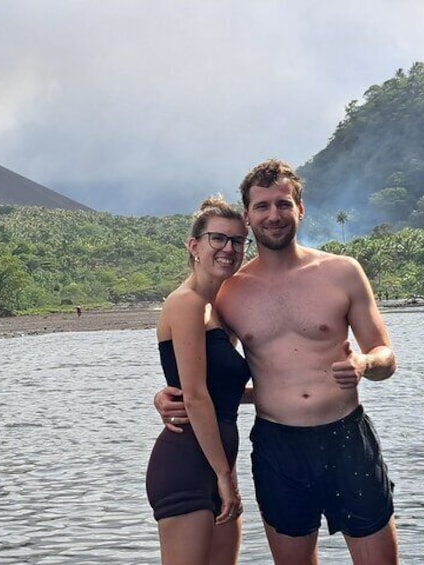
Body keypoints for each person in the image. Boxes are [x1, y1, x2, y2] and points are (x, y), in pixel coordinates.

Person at [156, 159, 399, 564]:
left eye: (283, 204)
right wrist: (169, 394)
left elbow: (387, 356)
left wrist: (364, 363)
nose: (274, 214)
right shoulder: (230, 293)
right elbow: (210, 367)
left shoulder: (343, 272)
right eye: (262, 206)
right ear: (249, 217)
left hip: (347, 438)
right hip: (278, 446)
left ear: (300, 209)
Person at [145, 196, 253, 565]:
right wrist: (224, 476)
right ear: (194, 246)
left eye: (238, 241)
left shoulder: (217, 310)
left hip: (220, 463)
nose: (229, 248)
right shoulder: (186, 302)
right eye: (218, 239)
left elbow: (223, 394)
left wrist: (301, 391)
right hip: (186, 466)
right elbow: (194, 396)